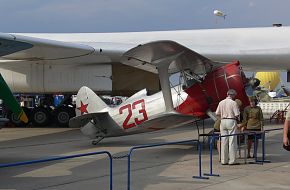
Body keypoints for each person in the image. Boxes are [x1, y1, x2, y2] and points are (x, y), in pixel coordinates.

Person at [215, 89, 240, 165]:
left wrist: (222, 116)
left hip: (223, 121)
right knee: (232, 141)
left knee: (224, 141)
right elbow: (237, 114)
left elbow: (217, 113)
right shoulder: (233, 103)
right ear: (233, 95)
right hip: (231, 120)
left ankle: (224, 160)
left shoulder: (221, 102)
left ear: (227, 94)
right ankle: (232, 160)